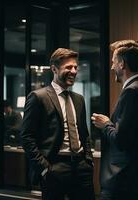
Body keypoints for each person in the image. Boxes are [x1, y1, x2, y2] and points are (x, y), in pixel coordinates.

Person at [20, 48, 95, 200]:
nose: (73, 71)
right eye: (68, 67)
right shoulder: (38, 97)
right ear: (54, 69)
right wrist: (44, 168)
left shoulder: (79, 99)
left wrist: (88, 160)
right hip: (55, 167)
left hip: (81, 168)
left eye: (75, 67)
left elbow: (84, 134)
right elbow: (26, 137)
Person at [91, 40, 138, 200]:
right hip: (136, 180)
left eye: (113, 62)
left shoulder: (132, 92)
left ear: (122, 64)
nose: (111, 67)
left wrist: (105, 124)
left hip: (123, 182)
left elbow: (121, 140)